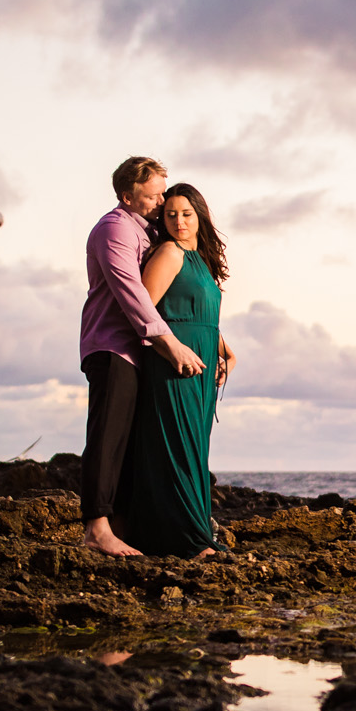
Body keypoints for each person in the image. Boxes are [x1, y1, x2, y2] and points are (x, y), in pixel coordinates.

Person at [78, 156, 206, 556]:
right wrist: (169, 343)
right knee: (108, 437)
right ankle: (96, 529)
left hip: (139, 351)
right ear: (126, 196)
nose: (161, 201)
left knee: (134, 444)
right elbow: (131, 293)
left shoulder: (147, 230)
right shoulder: (115, 228)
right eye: (152, 195)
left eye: (162, 192)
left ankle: (123, 527)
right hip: (113, 345)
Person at [114, 183, 236, 559]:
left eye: (186, 213)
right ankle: (190, 540)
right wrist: (172, 351)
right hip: (172, 363)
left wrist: (225, 351)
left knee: (194, 449)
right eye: (170, 214)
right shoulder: (168, 253)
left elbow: (202, 317)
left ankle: (185, 533)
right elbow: (144, 312)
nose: (179, 221)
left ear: (200, 215)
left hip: (199, 363)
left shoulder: (198, 257)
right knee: (177, 448)